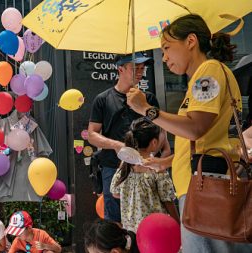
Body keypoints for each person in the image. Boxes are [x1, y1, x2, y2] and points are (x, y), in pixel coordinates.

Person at [126, 14, 251, 252]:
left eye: (166, 48)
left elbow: (196, 127)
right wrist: (166, 163)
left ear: (191, 41)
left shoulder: (208, 72)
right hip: (204, 187)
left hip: (209, 190)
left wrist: (147, 110)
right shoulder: (203, 76)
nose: (164, 58)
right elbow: (201, 137)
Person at [87, 52, 169, 222]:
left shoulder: (149, 99)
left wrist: (156, 155)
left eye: (142, 68)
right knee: (115, 221)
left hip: (146, 167)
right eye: (135, 68)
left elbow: (162, 132)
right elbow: (92, 135)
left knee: (150, 215)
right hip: (113, 167)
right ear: (120, 69)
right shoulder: (103, 99)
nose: (140, 72)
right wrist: (117, 145)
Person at [110, 118, 179, 232]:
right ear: (154, 143)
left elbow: (115, 192)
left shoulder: (125, 166)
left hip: (131, 229)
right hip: (155, 228)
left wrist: (133, 197)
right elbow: (167, 200)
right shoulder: (157, 168)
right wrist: (177, 224)